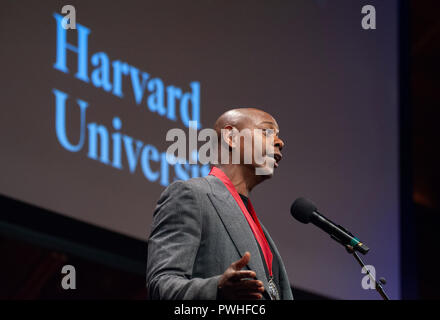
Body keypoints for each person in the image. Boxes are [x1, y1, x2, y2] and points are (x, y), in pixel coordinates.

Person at [146, 108, 293, 300]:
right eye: (267, 132)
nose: (280, 142)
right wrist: (216, 289)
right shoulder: (190, 195)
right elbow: (161, 286)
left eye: (278, 136)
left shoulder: (261, 231)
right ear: (230, 137)